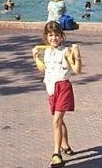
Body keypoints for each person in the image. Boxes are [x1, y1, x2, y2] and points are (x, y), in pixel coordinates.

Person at [32, 21, 82, 168]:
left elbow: (77, 70)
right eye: (51, 35)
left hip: (63, 87)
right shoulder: (47, 51)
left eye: (57, 35)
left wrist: (77, 56)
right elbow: (43, 69)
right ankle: (66, 146)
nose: (54, 38)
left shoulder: (65, 52)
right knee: (59, 121)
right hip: (51, 88)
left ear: (62, 36)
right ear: (46, 37)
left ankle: (56, 154)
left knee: (56, 121)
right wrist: (36, 57)